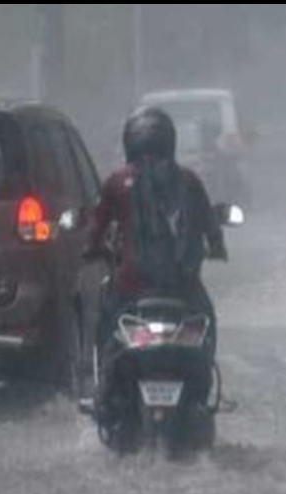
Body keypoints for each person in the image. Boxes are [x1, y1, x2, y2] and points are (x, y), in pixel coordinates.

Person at [84, 106, 227, 354]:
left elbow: (96, 227)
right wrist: (217, 247)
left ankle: (103, 380)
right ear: (169, 142)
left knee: (106, 321)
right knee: (206, 321)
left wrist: (91, 249)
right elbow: (210, 224)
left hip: (131, 285)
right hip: (183, 286)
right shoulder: (189, 180)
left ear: (130, 142)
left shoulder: (117, 182)